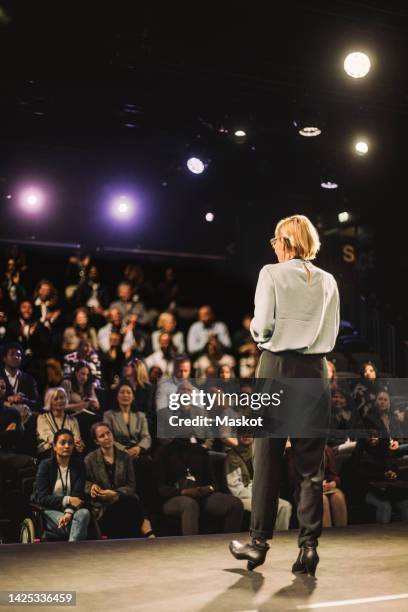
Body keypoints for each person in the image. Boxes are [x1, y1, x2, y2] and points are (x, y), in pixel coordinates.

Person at [230, 214, 339, 575]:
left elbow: (262, 326)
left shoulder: (271, 274)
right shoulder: (328, 281)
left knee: (267, 459)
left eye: (276, 240)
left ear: (286, 242)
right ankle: (309, 549)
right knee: (311, 467)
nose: (273, 246)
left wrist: (264, 340)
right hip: (315, 372)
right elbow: (332, 332)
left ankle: (258, 544)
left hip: (277, 367)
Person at [154, 437, 244, 536]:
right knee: (190, 505)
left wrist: (207, 489)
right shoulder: (164, 452)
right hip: (173, 497)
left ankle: (227, 544)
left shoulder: (200, 451)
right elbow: (160, 489)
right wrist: (183, 492)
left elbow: (213, 484)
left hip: (200, 495)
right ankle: (192, 547)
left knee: (235, 504)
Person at [84, 422, 154, 538]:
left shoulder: (125, 457)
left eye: (108, 433)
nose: (107, 437)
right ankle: (147, 530)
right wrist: (91, 487)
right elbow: (84, 482)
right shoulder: (90, 459)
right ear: (96, 441)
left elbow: (131, 486)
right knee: (132, 502)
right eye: (102, 436)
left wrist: (116, 494)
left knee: (131, 500)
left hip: (123, 500)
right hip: (103, 506)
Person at [31, 429, 90, 541]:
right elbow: (42, 498)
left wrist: (68, 513)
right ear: (54, 446)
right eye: (62, 443)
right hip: (49, 509)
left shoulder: (79, 466)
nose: (67, 446)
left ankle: (68, 546)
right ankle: (75, 550)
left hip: (72, 511)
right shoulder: (45, 466)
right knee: (75, 526)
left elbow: (77, 495)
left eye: (70, 443)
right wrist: (67, 500)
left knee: (84, 513)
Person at [225, 434, 292, 530]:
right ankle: (259, 538)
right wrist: (258, 495)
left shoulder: (258, 454)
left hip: (257, 493)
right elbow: (235, 489)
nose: (246, 435)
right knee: (264, 507)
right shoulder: (232, 457)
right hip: (243, 497)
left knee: (285, 506)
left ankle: (279, 539)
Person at [36, 387, 85, 459]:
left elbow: (76, 439)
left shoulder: (72, 420)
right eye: (56, 399)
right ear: (50, 401)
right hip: (48, 452)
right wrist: (69, 443)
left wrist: (79, 445)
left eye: (62, 398)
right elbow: (50, 438)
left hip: (69, 451)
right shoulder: (42, 418)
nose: (59, 401)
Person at [322, 446, 348, 528]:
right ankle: (328, 537)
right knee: (323, 500)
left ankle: (342, 535)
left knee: (338, 497)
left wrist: (334, 483)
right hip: (307, 488)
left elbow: (333, 475)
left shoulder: (326, 450)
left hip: (324, 486)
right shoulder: (298, 450)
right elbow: (294, 478)